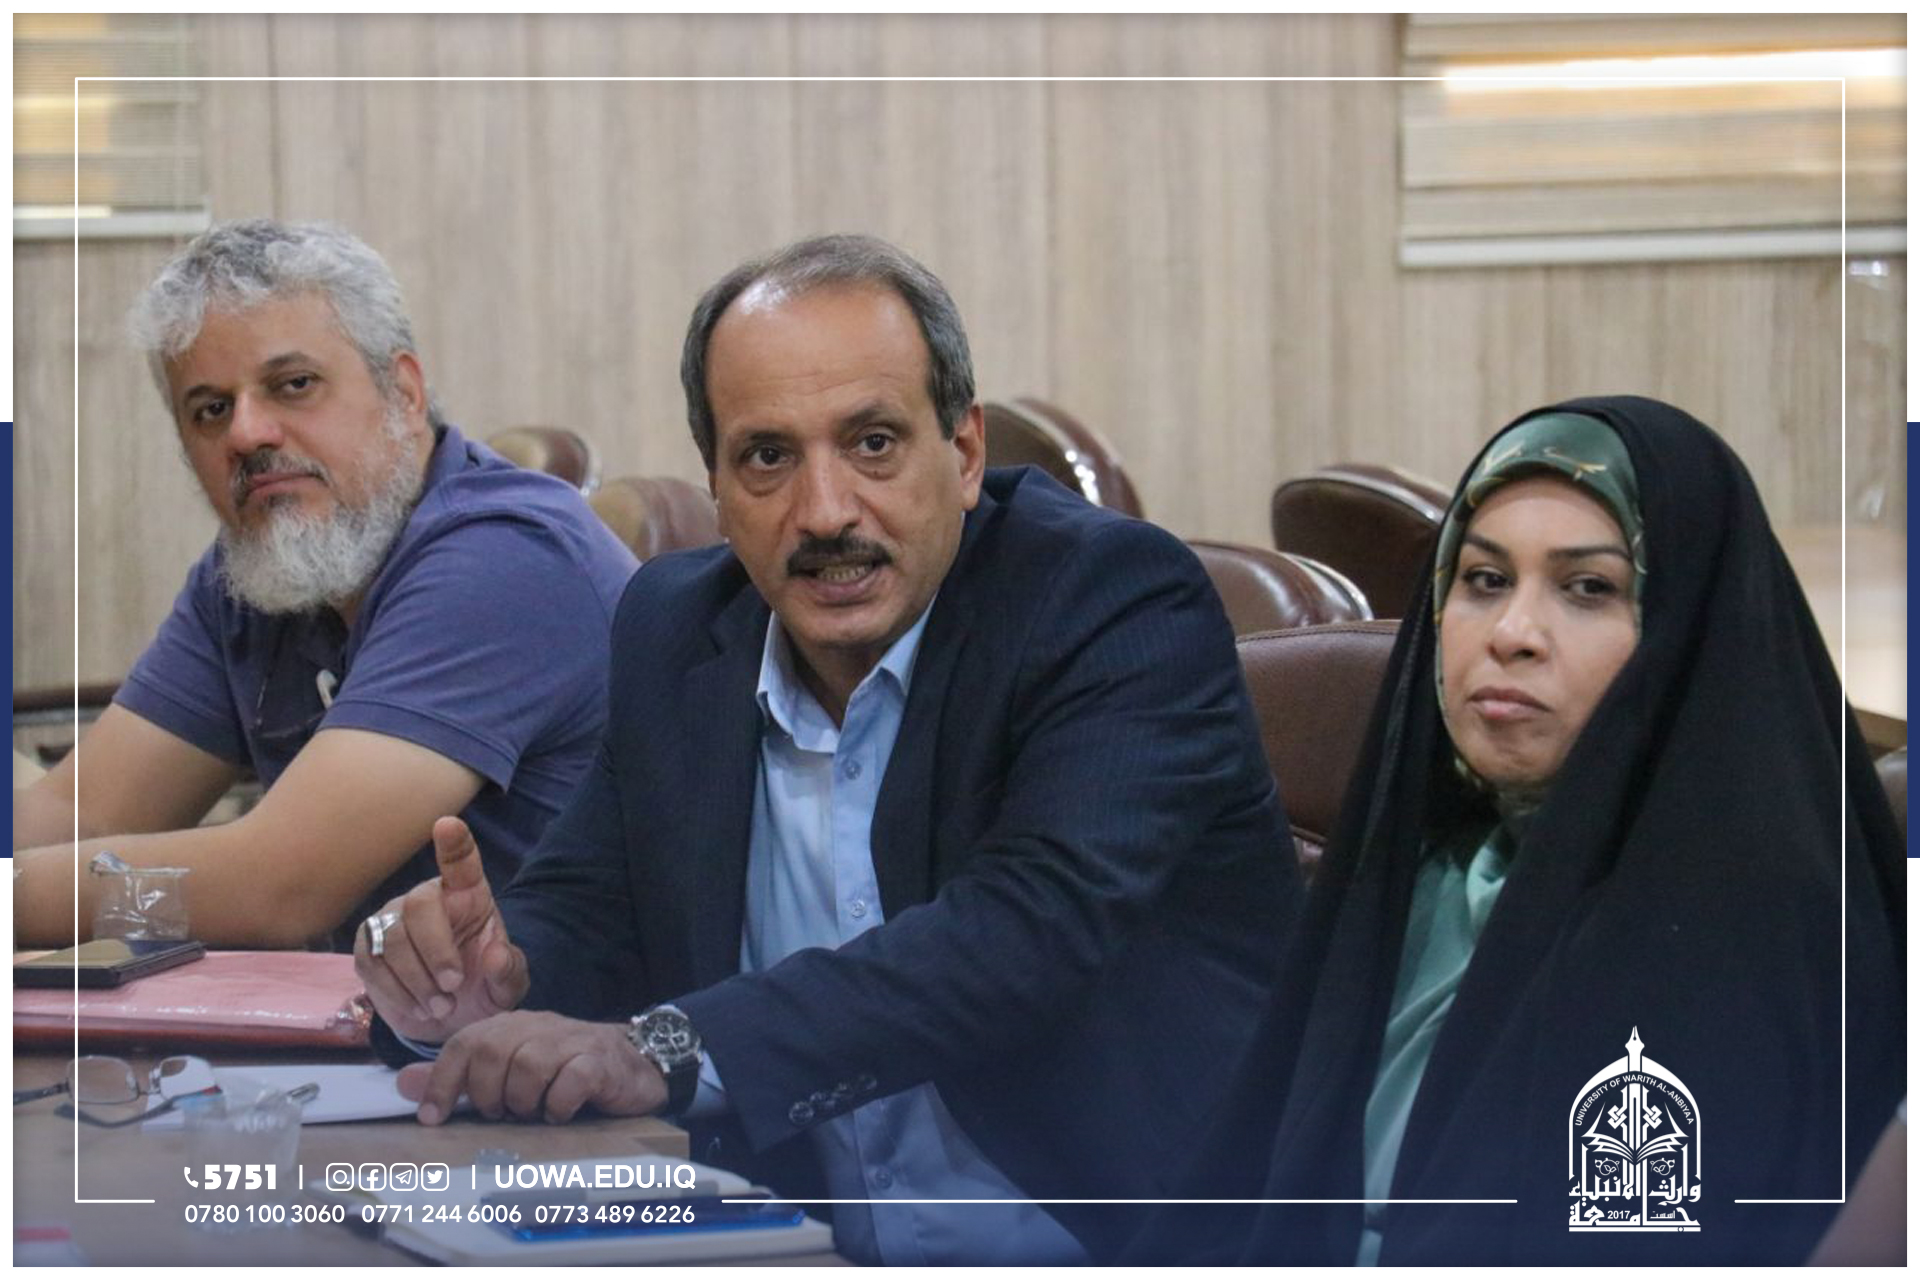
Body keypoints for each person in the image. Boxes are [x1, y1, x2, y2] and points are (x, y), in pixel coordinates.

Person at [353, 234, 1296, 1264]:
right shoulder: (679, 629)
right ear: (716, 484)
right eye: (767, 457)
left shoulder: (1108, 603)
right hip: (796, 1249)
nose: (825, 512)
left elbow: (1023, 931)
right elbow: (592, 902)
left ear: (965, 453)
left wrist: (664, 1048)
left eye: (873, 443)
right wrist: (492, 977)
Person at [1129, 397, 1905, 1265]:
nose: (1513, 635)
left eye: (1589, 589)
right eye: (1485, 580)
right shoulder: (1428, 866)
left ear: (1688, 628)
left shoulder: (1747, 947)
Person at [13, 220, 638, 950]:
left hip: (562, 1016)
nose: (246, 434)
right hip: (373, 1011)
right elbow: (81, 814)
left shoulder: (505, 557)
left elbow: (280, 887)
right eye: (211, 409)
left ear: (404, 392)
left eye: (293, 385)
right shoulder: (260, 569)